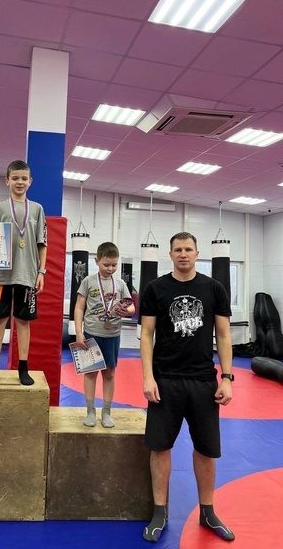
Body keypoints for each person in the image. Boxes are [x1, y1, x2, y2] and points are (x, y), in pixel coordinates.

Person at [139, 232, 235, 543]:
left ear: (197, 253)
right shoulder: (156, 288)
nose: (183, 254)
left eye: (188, 249)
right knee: (160, 447)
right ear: (170, 254)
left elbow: (223, 335)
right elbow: (146, 334)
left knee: (206, 450)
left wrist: (227, 377)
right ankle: (160, 511)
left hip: (203, 381)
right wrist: (147, 377)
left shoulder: (214, 288)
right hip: (165, 379)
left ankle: (207, 511)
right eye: (178, 249)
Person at [0, 160, 47, 386]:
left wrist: (41, 272)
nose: (19, 182)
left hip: (28, 274)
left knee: (23, 322)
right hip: (1, 275)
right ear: (7, 181)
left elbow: (42, 243)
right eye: (15, 178)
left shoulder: (37, 209)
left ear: (30, 181)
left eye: (24, 178)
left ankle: (23, 367)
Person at [74, 242, 135, 427]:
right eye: (106, 264)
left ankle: (106, 412)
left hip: (112, 335)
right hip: (91, 334)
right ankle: (90, 411)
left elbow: (131, 306)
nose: (110, 268)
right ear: (97, 261)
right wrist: (78, 332)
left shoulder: (120, 284)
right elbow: (79, 307)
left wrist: (128, 311)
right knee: (90, 374)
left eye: (114, 265)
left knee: (109, 374)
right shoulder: (88, 281)